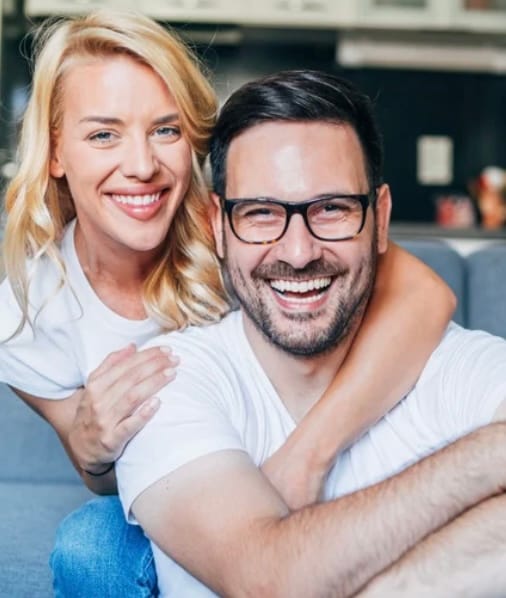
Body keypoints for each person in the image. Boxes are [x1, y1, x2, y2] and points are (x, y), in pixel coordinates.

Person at [0, 10, 454, 596]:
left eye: (165, 130)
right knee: (92, 547)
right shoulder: (23, 314)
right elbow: (105, 474)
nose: (141, 166)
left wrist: (307, 458)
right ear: (56, 152)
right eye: (104, 135)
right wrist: (90, 449)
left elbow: (426, 295)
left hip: (304, 452)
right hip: (194, 489)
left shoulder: (247, 228)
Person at [115, 69, 506, 598]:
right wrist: (488, 455)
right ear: (217, 226)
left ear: (380, 218)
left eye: (332, 209)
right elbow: (267, 579)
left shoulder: (457, 367)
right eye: (260, 213)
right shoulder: (164, 384)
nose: (299, 253)